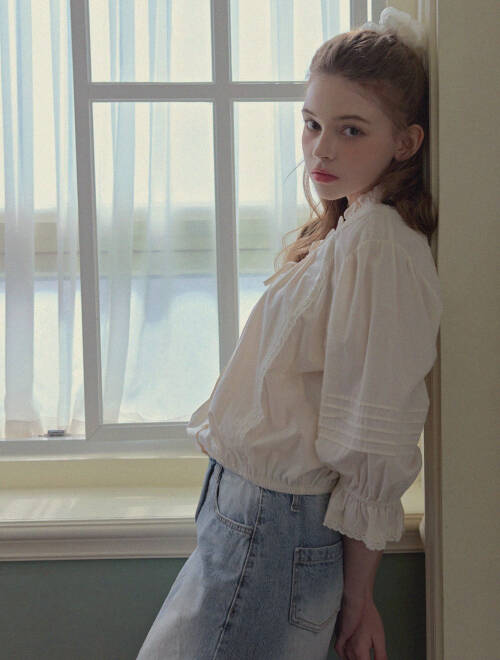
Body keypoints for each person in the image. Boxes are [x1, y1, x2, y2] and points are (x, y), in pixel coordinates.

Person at [136, 7, 442, 660]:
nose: (321, 149)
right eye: (312, 124)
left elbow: (374, 434)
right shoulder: (350, 230)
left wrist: (358, 598)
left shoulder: (380, 246)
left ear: (405, 142)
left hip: (274, 525)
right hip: (247, 514)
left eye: (351, 130)